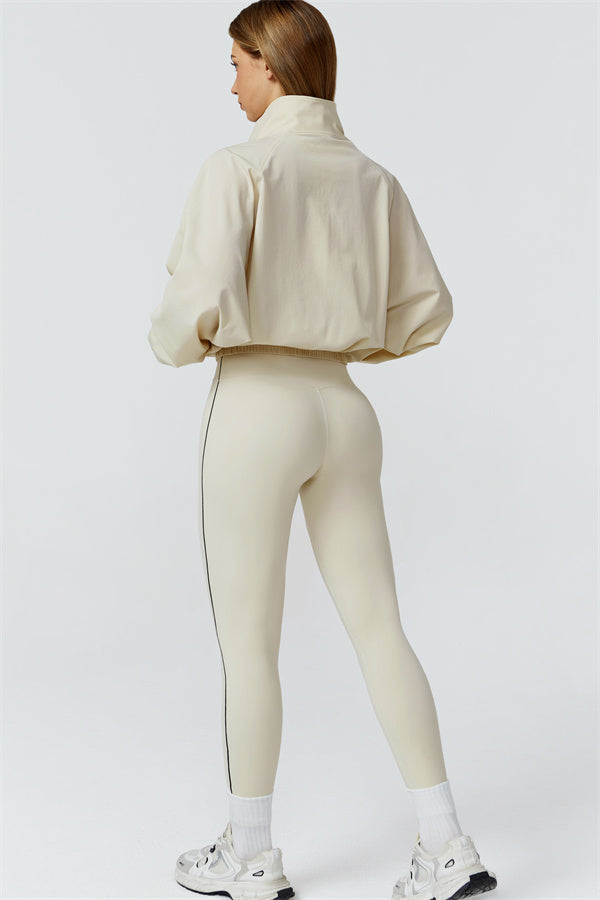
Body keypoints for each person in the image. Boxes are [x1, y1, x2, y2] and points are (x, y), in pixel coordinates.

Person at [148, 2, 498, 899]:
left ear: (270, 64)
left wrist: (174, 340)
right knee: (380, 624)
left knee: (248, 641)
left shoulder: (237, 167)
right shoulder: (373, 179)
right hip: (345, 407)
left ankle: (251, 853)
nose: (231, 82)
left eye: (237, 62)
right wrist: (348, 337)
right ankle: (447, 842)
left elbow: (189, 310)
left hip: (258, 404)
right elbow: (427, 311)